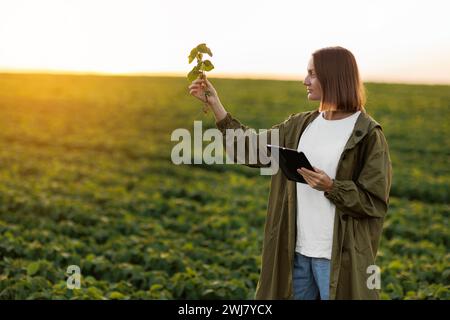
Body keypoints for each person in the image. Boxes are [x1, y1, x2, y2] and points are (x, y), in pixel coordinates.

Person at [188, 46, 392, 300]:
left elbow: (374, 202)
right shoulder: (300, 125)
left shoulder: (367, 135)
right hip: (295, 253)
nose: (304, 80)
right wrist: (216, 106)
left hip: (338, 259)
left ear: (334, 77)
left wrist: (332, 187)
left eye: (312, 74)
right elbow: (252, 150)